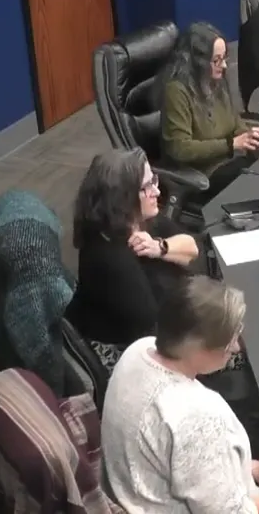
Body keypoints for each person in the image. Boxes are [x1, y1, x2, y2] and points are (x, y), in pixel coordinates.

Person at [101, 277, 259, 514]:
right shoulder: (197, 417)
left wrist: (240, 466)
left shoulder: (138, 350)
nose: (236, 348)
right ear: (200, 348)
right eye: (229, 341)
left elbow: (182, 457)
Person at [63, 149, 202, 371]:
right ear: (122, 198)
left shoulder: (140, 220)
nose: (157, 191)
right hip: (130, 355)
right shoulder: (109, 257)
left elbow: (192, 248)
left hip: (165, 330)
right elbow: (152, 332)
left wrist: (160, 247)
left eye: (154, 180)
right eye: (147, 186)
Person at [160, 22, 259, 194]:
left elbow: (233, 121)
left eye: (224, 58)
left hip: (229, 161)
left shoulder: (215, 81)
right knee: (256, 180)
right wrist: (230, 145)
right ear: (198, 62)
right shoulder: (176, 91)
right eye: (216, 60)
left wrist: (249, 135)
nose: (224, 65)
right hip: (203, 175)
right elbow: (180, 148)